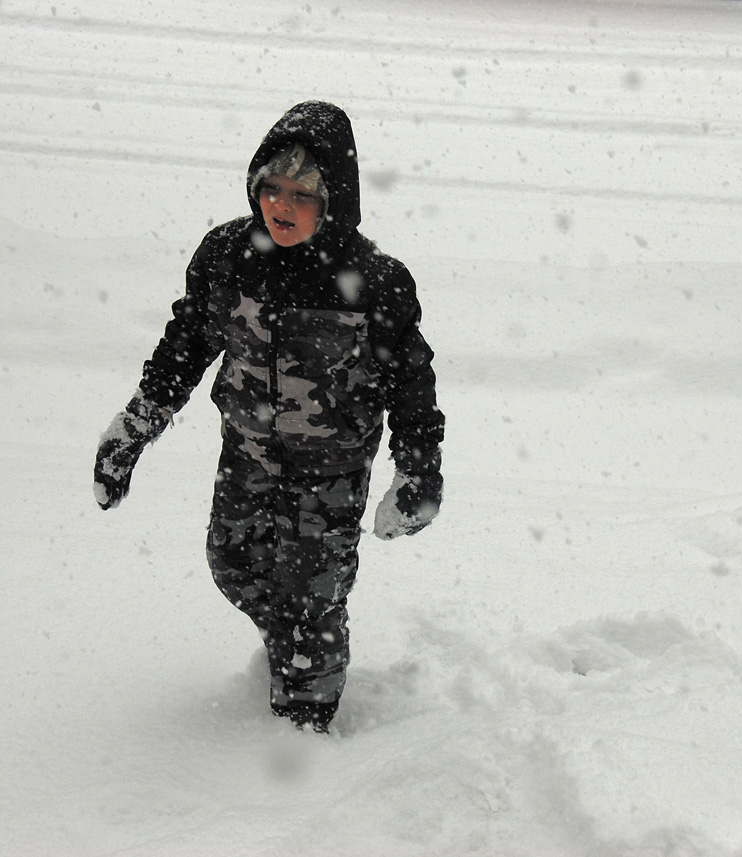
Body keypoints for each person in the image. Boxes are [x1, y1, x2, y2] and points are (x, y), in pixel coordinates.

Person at [93, 101, 444, 734]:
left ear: (334, 199)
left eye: (302, 195)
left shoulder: (376, 282)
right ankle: (291, 642)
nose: (281, 207)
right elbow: (186, 346)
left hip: (330, 472)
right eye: (270, 188)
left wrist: (419, 473)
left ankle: (300, 748)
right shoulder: (229, 256)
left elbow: (411, 384)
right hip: (247, 453)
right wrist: (137, 424)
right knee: (233, 564)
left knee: (312, 605)